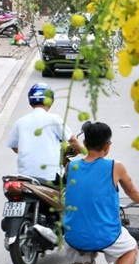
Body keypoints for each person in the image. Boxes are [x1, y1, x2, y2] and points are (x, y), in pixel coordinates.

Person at [62, 122, 139, 264]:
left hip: (72, 236)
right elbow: (132, 192)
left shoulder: (72, 167)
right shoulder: (115, 166)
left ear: (85, 143)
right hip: (104, 235)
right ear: (107, 146)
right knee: (131, 248)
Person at [6, 82, 82, 242]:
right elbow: (72, 139)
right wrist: (80, 149)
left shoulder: (21, 121)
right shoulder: (54, 119)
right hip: (49, 175)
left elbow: (13, 145)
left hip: (24, 176)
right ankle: (59, 224)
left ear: (30, 101)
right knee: (70, 188)